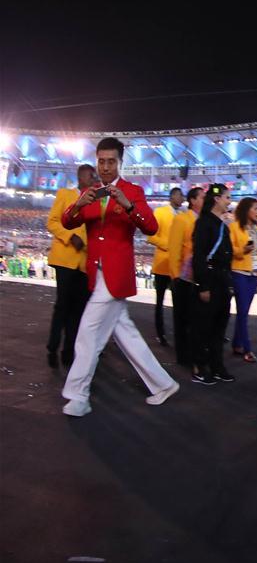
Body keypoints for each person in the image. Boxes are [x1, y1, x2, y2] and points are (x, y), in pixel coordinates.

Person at [60, 137, 180, 416]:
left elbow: (150, 227)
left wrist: (128, 205)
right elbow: (68, 221)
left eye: (110, 161)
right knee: (125, 333)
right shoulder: (89, 192)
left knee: (88, 332)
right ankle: (162, 384)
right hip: (97, 272)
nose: (105, 167)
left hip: (116, 274)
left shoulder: (133, 191)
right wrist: (77, 204)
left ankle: (77, 395)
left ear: (120, 162)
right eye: (101, 161)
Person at [45, 164, 94, 368]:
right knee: (62, 306)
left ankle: (68, 350)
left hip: (83, 264)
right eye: (91, 176)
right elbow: (52, 222)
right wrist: (69, 236)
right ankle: (52, 348)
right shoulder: (65, 194)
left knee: (77, 310)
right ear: (81, 177)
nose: (94, 180)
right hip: (65, 260)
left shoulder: (95, 201)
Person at [191, 184, 235, 385]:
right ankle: (200, 367)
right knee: (204, 328)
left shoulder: (222, 225)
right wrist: (204, 286)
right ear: (217, 199)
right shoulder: (204, 223)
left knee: (219, 328)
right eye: (227, 197)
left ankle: (217, 367)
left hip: (223, 281)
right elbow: (199, 256)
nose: (229, 201)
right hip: (210, 279)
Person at [168, 186, 205, 368]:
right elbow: (174, 249)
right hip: (182, 278)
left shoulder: (204, 220)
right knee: (181, 319)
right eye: (202, 197)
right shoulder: (182, 219)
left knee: (195, 319)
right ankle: (183, 356)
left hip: (197, 277)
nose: (205, 201)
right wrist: (175, 277)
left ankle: (194, 351)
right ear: (193, 201)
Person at [229, 197, 257, 362]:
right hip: (239, 273)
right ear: (246, 210)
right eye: (256, 209)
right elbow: (231, 250)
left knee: (244, 312)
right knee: (243, 313)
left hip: (253, 274)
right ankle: (247, 349)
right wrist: (242, 250)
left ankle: (237, 343)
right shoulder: (234, 227)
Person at [146, 187, 184, 346]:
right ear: (173, 196)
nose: (182, 198)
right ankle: (160, 334)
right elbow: (151, 236)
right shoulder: (160, 212)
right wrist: (169, 245)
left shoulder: (183, 216)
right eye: (180, 195)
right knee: (160, 302)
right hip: (162, 265)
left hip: (178, 267)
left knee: (180, 303)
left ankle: (179, 334)